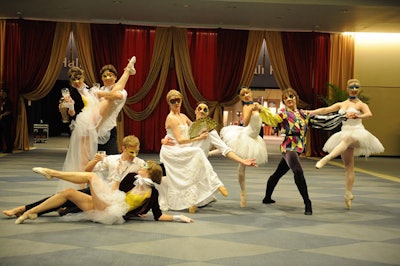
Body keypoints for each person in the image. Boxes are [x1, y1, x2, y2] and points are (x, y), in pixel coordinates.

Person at [3, 135, 145, 218]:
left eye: (136, 152)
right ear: (123, 148)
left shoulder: (140, 164)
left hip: (115, 197)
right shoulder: (112, 159)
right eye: (130, 152)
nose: (134, 156)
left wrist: (140, 209)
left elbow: (146, 186)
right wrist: (94, 160)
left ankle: (65, 209)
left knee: (68, 206)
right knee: (60, 196)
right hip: (98, 190)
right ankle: (23, 209)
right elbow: (87, 171)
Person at [15, 159, 193, 225]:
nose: (141, 167)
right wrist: (116, 176)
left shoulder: (152, 194)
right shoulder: (132, 177)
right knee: (68, 192)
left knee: (92, 176)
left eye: (144, 167)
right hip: (108, 202)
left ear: (150, 173)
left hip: (111, 212)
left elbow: (159, 215)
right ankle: (29, 213)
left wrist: (179, 218)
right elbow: (116, 190)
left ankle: (52, 173)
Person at [59, 57, 135, 192]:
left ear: (115, 77)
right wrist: (69, 106)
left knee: (114, 161)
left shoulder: (115, 90)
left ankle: (116, 188)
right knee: (86, 161)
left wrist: (99, 93)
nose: (107, 78)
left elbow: (116, 95)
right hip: (91, 125)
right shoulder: (92, 90)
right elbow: (72, 113)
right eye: (105, 76)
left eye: (110, 75)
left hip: (108, 129)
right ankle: (84, 188)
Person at [308, 79, 384, 209]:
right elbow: (325, 110)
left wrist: (357, 117)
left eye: (356, 87)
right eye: (352, 87)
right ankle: (348, 194)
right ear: (347, 88)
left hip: (359, 134)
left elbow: (369, 114)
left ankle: (326, 158)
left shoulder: (361, 104)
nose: (354, 89)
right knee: (349, 166)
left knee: (348, 139)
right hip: (345, 133)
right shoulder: (341, 104)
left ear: (358, 89)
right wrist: (311, 112)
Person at [159, 90, 228, 213]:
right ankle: (216, 183)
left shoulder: (183, 116)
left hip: (181, 149)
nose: (176, 103)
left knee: (193, 167)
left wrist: (206, 126)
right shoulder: (171, 118)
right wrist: (199, 138)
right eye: (173, 101)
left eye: (178, 100)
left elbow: (196, 127)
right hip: (172, 151)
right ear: (168, 103)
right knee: (197, 152)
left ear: (181, 101)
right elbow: (180, 140)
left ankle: (191, 200)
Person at [262, 88, 313, 215]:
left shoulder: (303, 114)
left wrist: (341, 116)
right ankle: (307, 203)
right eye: (286, 98)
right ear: (284, 102)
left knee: (278, 173)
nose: (289, 99)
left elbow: (319, 119)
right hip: (289, 147)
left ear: (296, 98)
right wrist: (261, 110)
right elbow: (272, 119)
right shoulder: (284, 113)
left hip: (299, 147)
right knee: (298, 172)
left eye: (291, 96)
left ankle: (267, 197)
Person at [220, 87, 268, 207]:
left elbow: (265, 118)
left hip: (255, 137)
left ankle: (243, 192)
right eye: (243, 94)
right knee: (240, 163)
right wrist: (251, 110)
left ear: (251, 93)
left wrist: (260, 109)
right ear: (241, 98)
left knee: (239, 160)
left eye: (247, 92)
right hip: (246, 136)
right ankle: (243, 192)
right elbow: (246, 122)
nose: (246, 95)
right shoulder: (246, 107)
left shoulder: (256, 105)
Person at [0, 88, 13, 153]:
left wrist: (2, 115)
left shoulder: (8, 101)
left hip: (7, 121)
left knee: (7, 135)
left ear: (5, 93)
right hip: (2, 121)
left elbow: (9, 111)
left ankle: (9, 148)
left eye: (1, 91)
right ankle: (1, 148)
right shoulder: (2, 101)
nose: (0, 93)